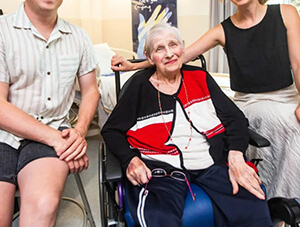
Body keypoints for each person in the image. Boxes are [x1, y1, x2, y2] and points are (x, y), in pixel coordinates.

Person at [111, 0, 300, 200]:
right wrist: (133, 65)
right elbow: (176, 55)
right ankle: (282, 201)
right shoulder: (223, 29)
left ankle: (284, 193)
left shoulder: (286, 13)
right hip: (251, 101)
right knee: (293, 126)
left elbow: (297, 63)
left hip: (287, 95)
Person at [102, 23, 272, 227]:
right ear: (150, 58)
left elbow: (235, 119)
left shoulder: (200, 78)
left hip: (212, 162)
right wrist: (130, 159)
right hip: (161, 169)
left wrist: (235, 154)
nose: (169, 54)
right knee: (157, 218)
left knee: (252, 201)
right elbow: (112, 130)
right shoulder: (139, 87)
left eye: (173, 45)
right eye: (159, 49)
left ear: (182, 47)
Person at [0, 0, 99, 226]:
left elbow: (91, 90)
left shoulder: (78, 37)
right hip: (4, 135)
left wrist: (79, 133)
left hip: (53, 132)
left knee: (43, 206)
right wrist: (58, 139)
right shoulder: (3, 32)